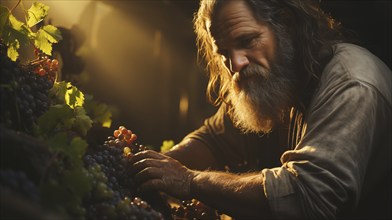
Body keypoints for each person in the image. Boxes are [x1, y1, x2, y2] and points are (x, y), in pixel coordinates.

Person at [130, 0, 392, 219]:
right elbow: (214, 140)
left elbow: (307, 196)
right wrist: (152, 168)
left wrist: (189, 181)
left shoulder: (352, 84)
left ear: (286, 24)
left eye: (247, 40)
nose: (236, 63)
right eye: (224, 53)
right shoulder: (278, 78)